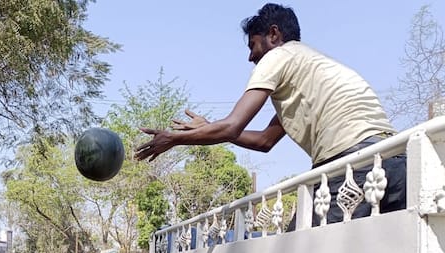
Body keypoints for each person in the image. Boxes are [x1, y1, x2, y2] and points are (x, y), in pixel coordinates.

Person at [135, 3, 406, 228]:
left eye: (253, 45)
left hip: (352, 164)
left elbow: (232, 126)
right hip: (396, 162)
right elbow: (265, 140)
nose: (251, 57)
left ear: (273, 35)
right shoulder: (309, 68)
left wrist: (174, 139)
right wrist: (210, 127)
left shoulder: (279, 57)